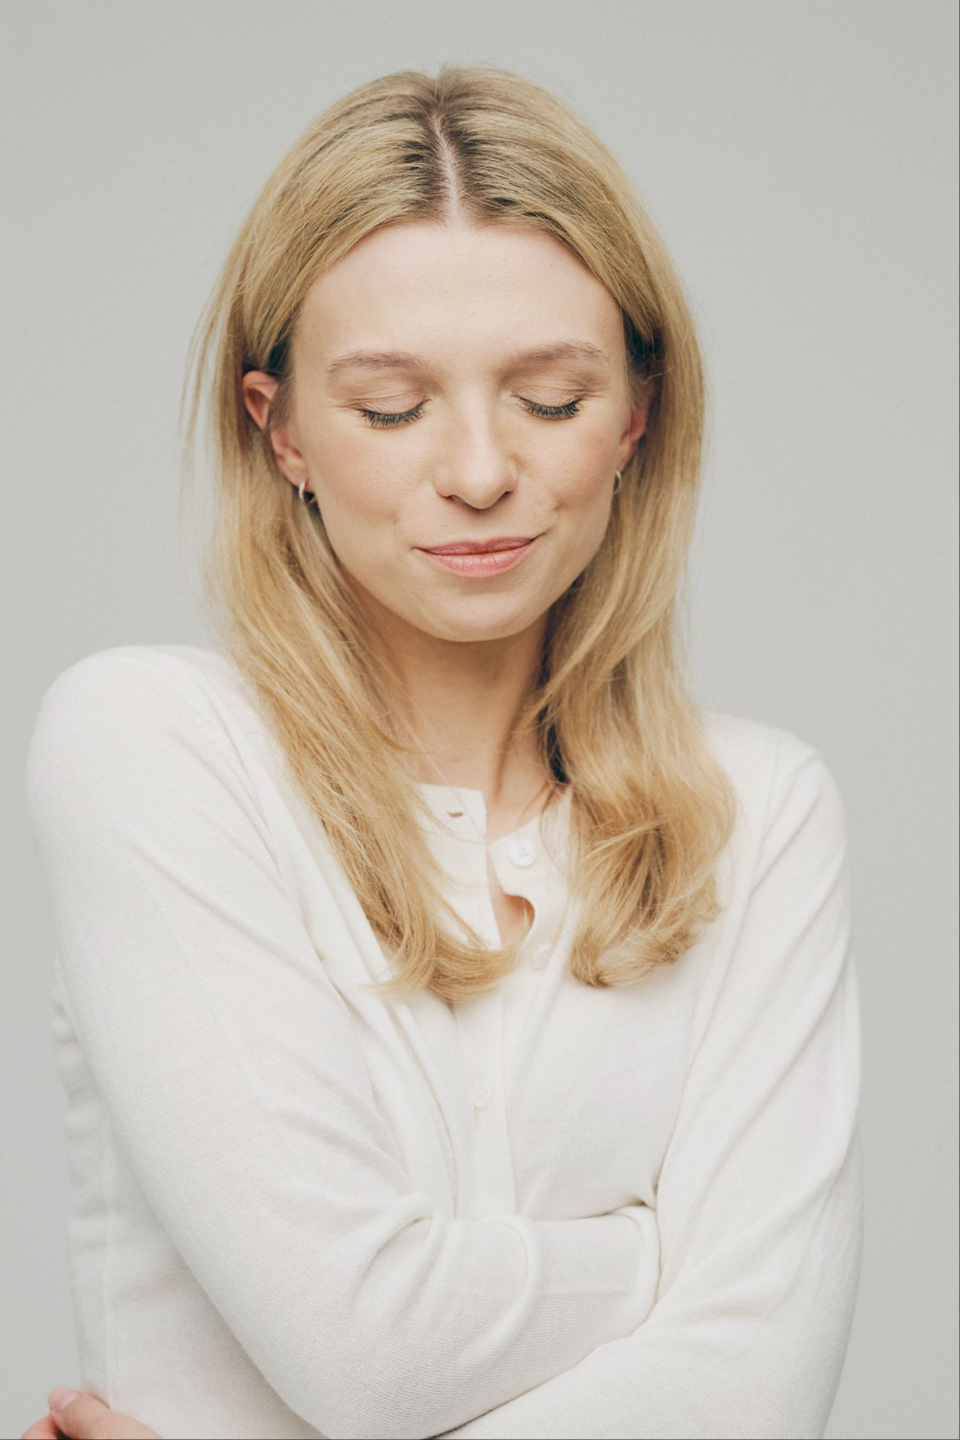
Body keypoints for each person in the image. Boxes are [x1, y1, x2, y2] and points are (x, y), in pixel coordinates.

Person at [22, 63, 862, 1440]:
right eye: (391, 408)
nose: (478, 472)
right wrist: (652, 1260)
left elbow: (757, 1400)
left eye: (551, 399)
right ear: (280, 427)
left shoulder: (761, 813)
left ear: (638, 413)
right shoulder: (151, 745)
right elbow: (366, 1357)